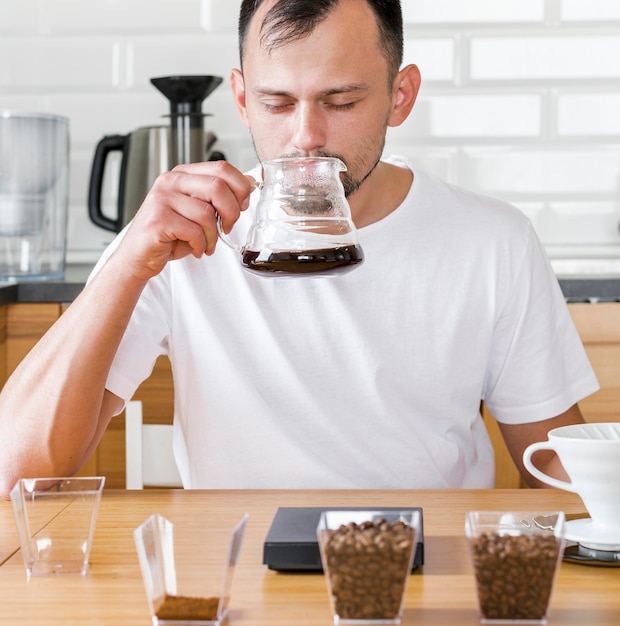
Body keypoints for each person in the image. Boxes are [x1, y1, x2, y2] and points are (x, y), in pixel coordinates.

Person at [0, 0, 599, 498]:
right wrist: (129, 263)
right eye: (276, 103)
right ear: (240, 98)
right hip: (235, 579)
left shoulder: (491, 241)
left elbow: (557, 478)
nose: (305, 138)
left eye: (340, 102)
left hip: (423, 580)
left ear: (400, 94)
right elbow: (16, 473)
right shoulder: (183, 236)